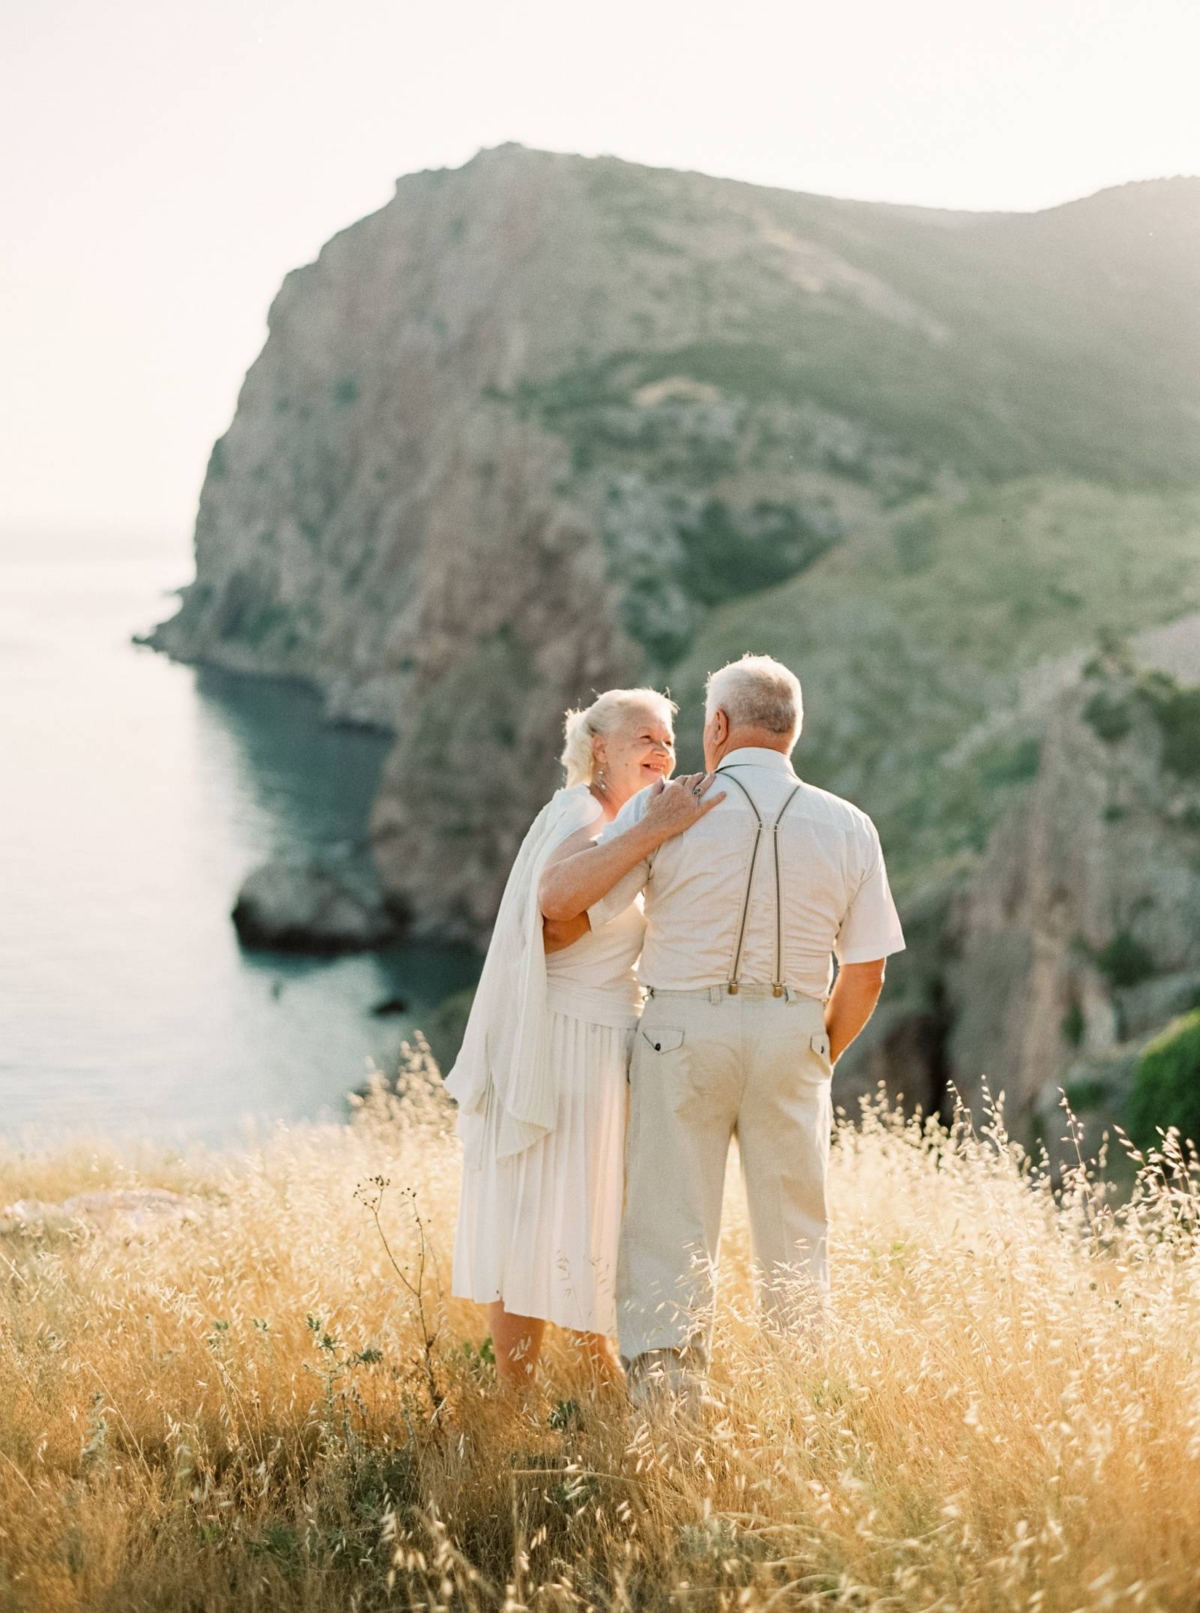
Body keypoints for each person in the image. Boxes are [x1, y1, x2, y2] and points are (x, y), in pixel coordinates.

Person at [539, 653, 905, 1406]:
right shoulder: (850, 826)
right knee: (796, 1238)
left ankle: (670, 1425)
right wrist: (813, 1049)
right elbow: (865, 973)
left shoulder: (670, 806)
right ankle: (797, 1413)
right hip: (795, 1029)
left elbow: (570, 916)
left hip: (682, 1031)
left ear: (717, 726)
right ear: (792, 731)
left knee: (669, 1232)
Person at [447, 687, 723, 1386]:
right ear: (601, 747)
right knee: (555, 1219)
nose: (662, 751)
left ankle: (551, 1394)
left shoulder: (616, 817)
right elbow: (555, 905)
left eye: (668, 739)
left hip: (594, 1036)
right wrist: (654, 830)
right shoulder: (584, 809)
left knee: (557, 1217)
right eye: (645, 738)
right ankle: (564, 1394)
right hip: (570, 1037)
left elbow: (570, 921)